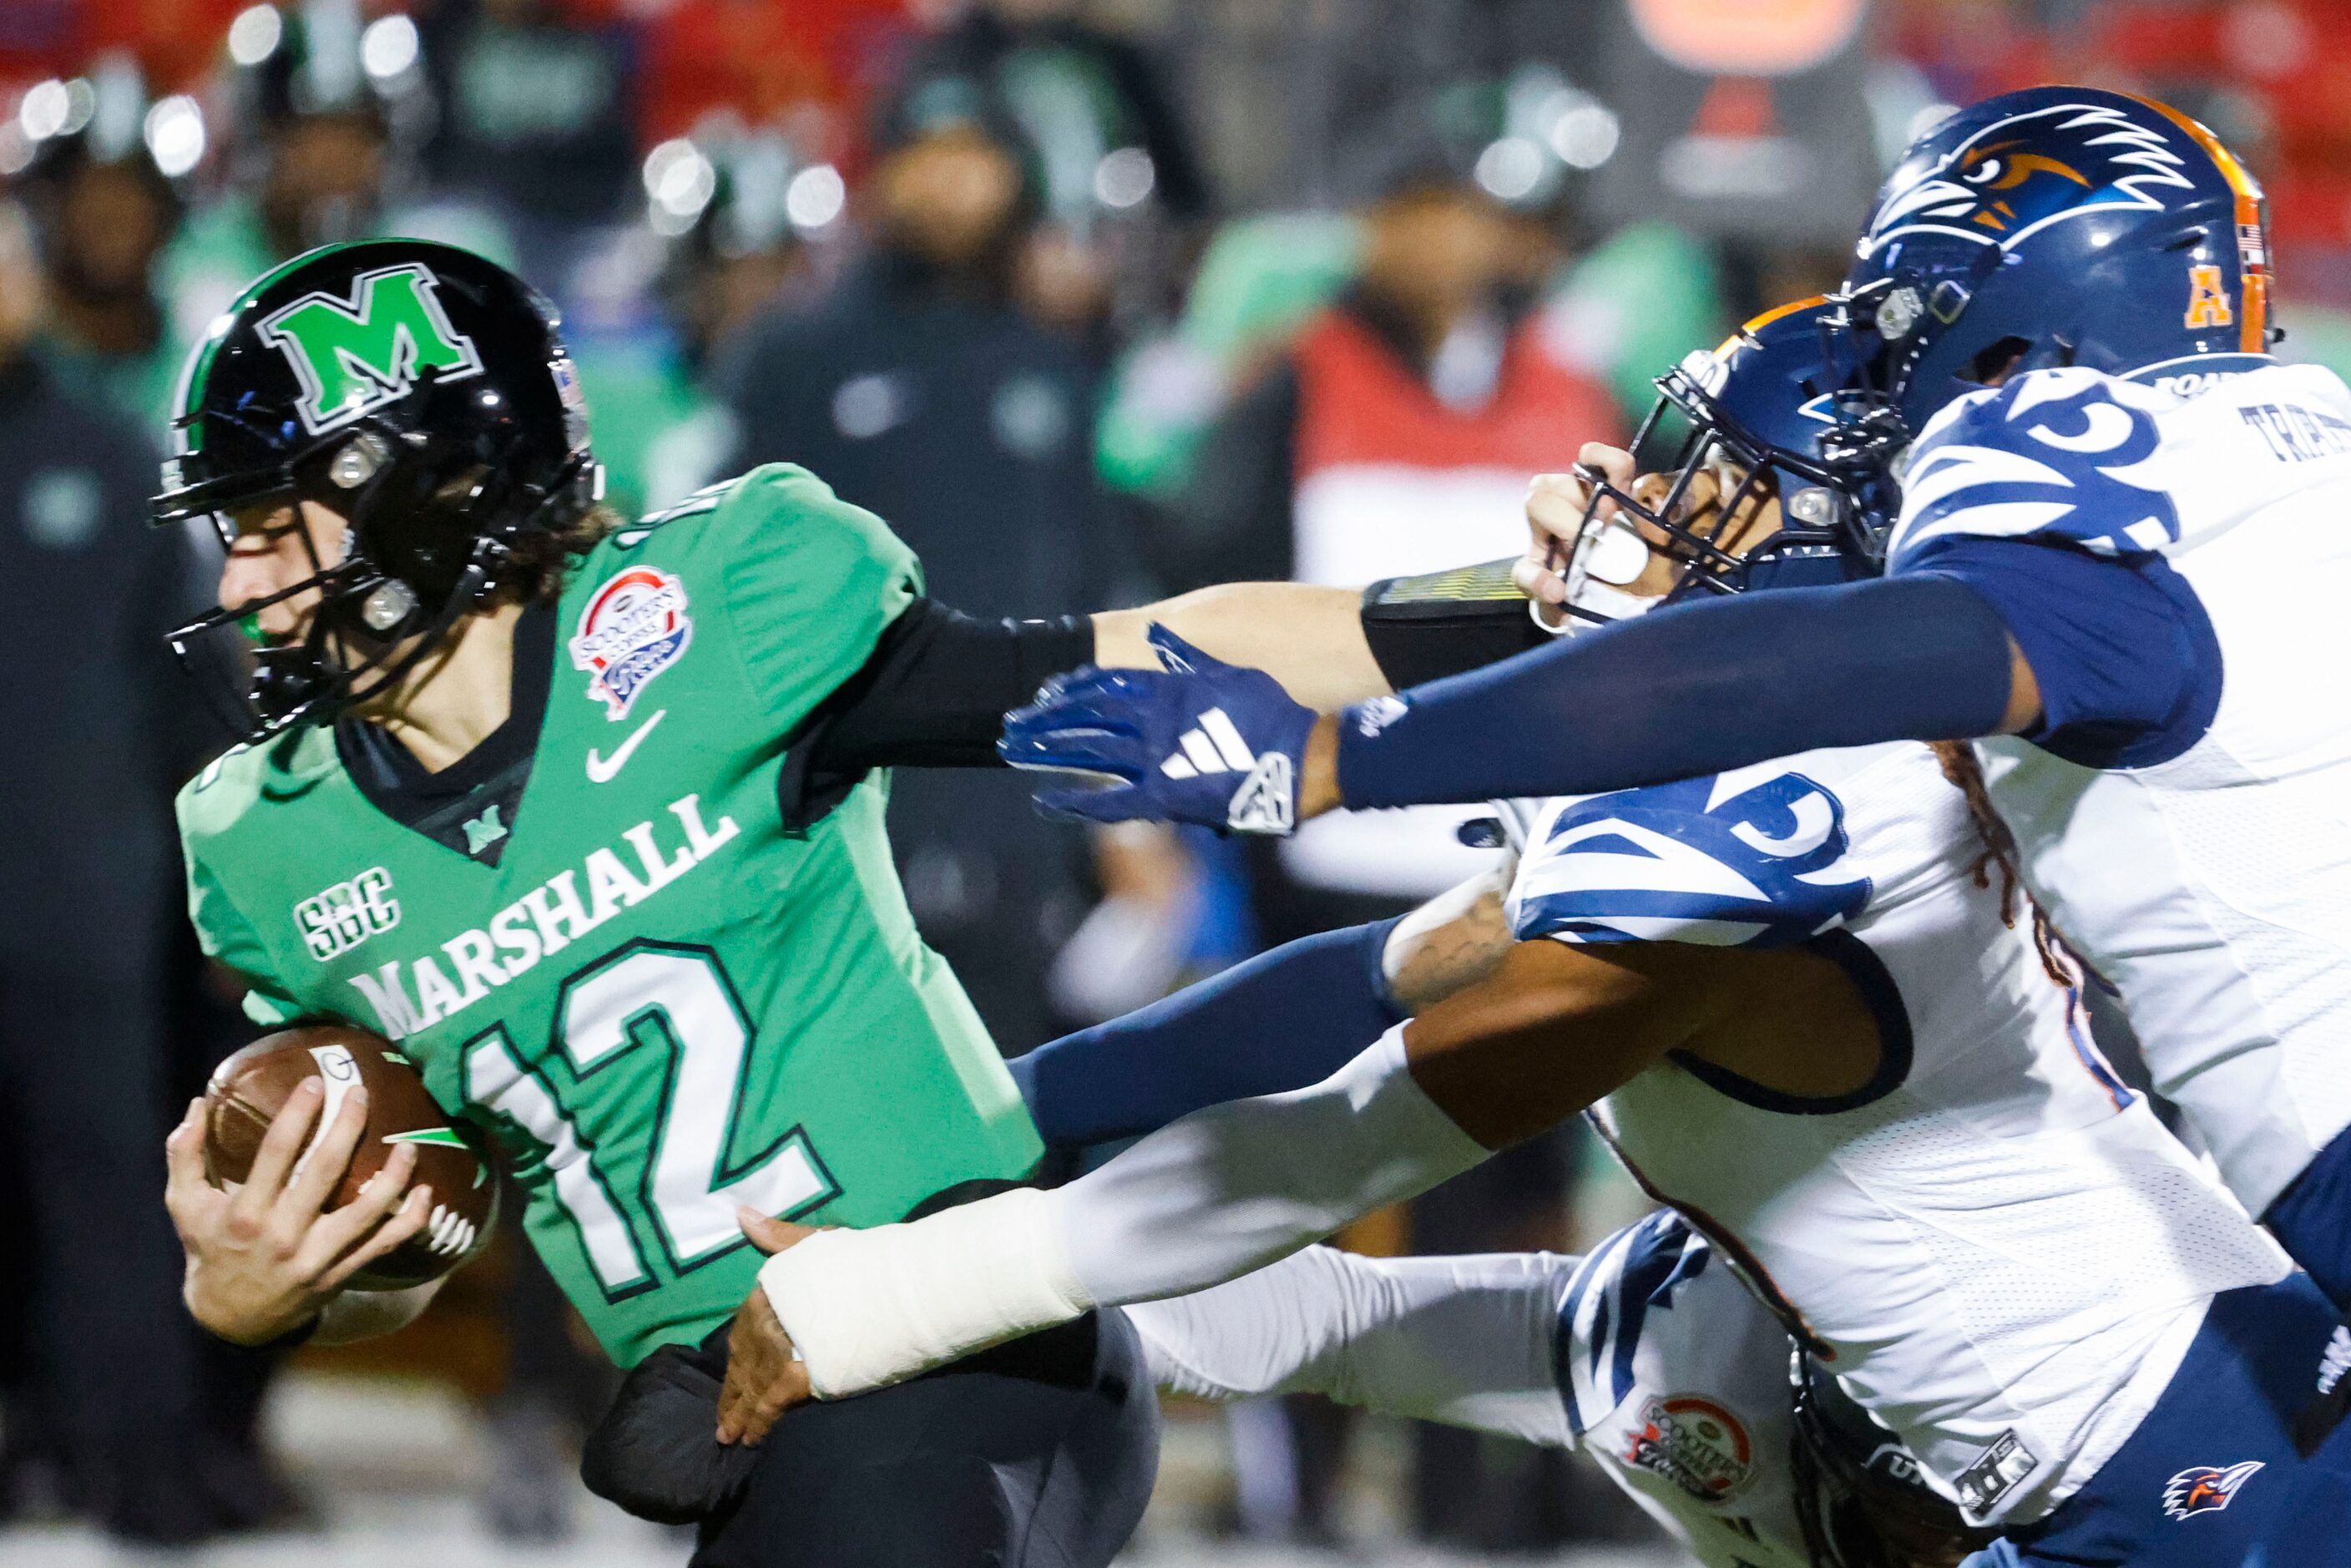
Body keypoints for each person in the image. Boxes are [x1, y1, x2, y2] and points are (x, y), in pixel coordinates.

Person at [730, 301, 2345, 1567]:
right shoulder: (1756, 774)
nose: (1615, 496)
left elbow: (1351, 1139)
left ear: (1804, 547)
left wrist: (907, 1292)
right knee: (1660, 1338)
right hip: (2064, 1419)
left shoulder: (1786, 814)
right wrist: (991, 1130)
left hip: (2202, 1482)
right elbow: (1367, 990)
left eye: (1694, 481)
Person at [154, 237, 1551, 1565]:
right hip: (745, 1409)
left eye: (273, 528)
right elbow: (419, 1214)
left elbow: (1168, 652)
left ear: (434, 490)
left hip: (960, 1342)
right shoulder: (276, 843)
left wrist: (1535, 609)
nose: (238, 583)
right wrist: (267, 1291)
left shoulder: (711, 627)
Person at [991, 86, 2351, 1333]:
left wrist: (1339, 753)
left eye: (1721, 490)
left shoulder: (1926, 660)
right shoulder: (2277, 443)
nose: (1886, 361)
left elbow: (1373, 1116)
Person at [1132, 1220, 1984, 1568]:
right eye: (1924, 1529)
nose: (1932, 1554)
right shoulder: (1688, 1345)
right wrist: (1038, 1292)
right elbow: (1353, 1321)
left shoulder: (2100, 1477)